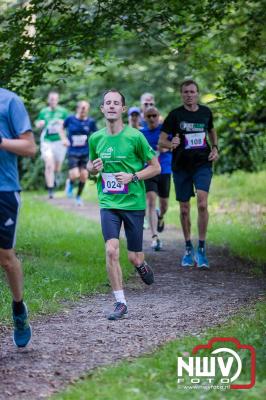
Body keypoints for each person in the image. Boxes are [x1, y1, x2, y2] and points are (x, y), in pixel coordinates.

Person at [87, 89, 161, 320]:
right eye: (107, 103)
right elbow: (90, 170)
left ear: (123, 109)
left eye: (115, 103)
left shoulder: (135, 137)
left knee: (133, 257)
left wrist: (134, 177)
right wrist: (92, 169)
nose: (111, 106)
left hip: (133, 202)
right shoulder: (96, 138)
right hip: (108, 202)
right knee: (111, 250)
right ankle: (120, 302)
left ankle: (141, 264)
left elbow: (155, 167)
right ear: (102, 109)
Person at [159, 79, 219, 269]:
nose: (189, 95)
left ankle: (201, 248)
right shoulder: (175, 115)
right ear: (181, 94)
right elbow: (162, 141)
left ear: (197, 93)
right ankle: (187, 248)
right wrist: (171, 144)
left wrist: (215, 147)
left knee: (202, 203)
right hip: (181, 166)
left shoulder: (205, 112)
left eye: (192, 92)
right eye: (185, 92)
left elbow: (211, 130)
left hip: (202, 164)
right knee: (184, 209)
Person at [0, 88, 36, 347]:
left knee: (5, 258)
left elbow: (29, 147)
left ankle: (18, 309)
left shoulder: (9, 100)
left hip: (4, 189)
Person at [141, 106, 172, 251]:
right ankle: (154, 237)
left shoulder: (165, 132)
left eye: (154, 115)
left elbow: (177, 145)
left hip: (165, 169)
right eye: (149, 116)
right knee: (151, 201)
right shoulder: (141, 134)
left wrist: (168, 147)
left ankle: (160, 216)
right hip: (149, 171)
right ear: (145, 118)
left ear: (159, 116)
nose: (152, 118)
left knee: (164, 204)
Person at [64, 100, 97, 205]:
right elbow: (61, 128)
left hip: (85, 152)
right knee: (74, 174)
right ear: (77, 108)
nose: (83, 109)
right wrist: (63, 139)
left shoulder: (90, 122)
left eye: (85, 108)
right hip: (73, 151)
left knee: (84, 175)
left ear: (88, 110)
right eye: (82, 107)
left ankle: (78, 196)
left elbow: (96, 135)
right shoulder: (70, 119)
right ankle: (70, 183)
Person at [35, 91, 68, 199]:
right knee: (49, 164)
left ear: (57, 100)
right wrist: (39, 123)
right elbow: (37, 123)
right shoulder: (44, 112)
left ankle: (56, 176)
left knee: (57, 167)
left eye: (55, 99)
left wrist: (62, 122)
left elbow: (69, 124)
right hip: (47, 141)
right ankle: (50, 190)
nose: (53, 101)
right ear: (48, 100)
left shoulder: (63, 111)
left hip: (59, 141)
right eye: (51, 99)